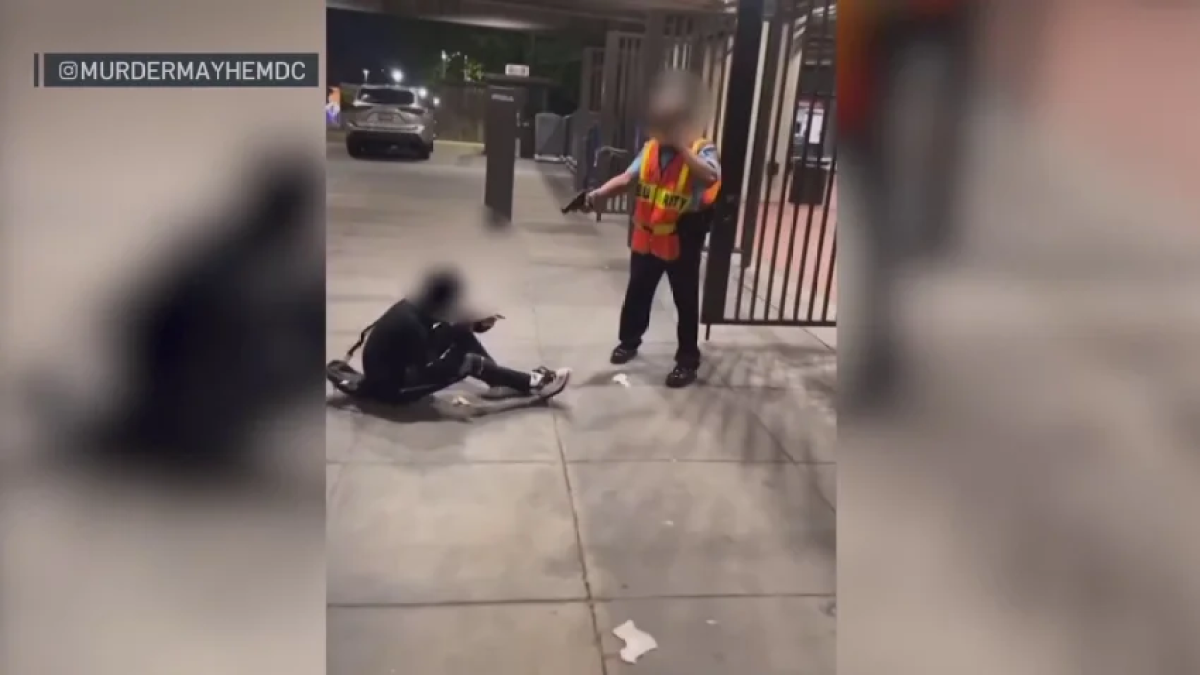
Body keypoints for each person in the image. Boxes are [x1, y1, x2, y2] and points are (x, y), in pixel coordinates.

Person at [583, 72, 722, 388]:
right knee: (637, 294)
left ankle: (687, 362)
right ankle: (629, 342)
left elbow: (710, 177)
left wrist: (682, 147)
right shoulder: (649, 150)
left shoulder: (702, 149)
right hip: (647, 239)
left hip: (682, 238)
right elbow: (627, 178)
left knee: (685, 301)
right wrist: (598, 195)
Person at [327, 270, 570, 405]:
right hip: (394, 388)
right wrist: (459, 348)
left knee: (462, 336)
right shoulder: (413, 326)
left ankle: (498, 378)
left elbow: (444, 332)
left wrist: (472, 325)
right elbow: (430, 363)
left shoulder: (416, 306)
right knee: (469, 362)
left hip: (395, 367)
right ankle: (534, 384)